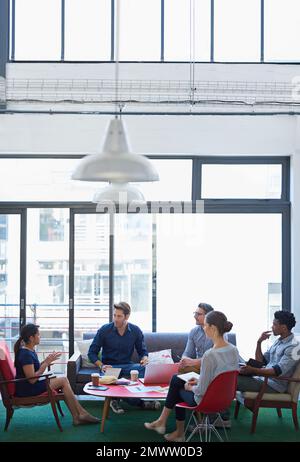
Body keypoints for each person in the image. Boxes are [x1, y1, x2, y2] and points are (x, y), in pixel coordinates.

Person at [144, 311, 239, 442]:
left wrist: (190, 388)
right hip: (225, 399)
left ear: (212, 328)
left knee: (177, 385)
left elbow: (201, 391)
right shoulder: (233, 350)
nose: (203, 328)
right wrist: (199, 380)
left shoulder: (210, 355)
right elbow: (221, 378)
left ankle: (177, 431)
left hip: (206, 400)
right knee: (177, 379)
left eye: (205, 325)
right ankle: (165, 424)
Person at [14, 323, 100, 426]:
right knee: (63, 380)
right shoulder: (25, 354)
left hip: (32, 385)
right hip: (27, 389)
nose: (40, 336)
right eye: (38, 334)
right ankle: (81, 414)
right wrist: (46, 363)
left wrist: (46, 361)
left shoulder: (29, 351)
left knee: (63, 381)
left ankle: (78, 416)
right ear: (31, 338)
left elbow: (34, 371)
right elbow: (31, 379)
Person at [88, 301, 160, 414]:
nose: (116, 319)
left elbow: (143, 351)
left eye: (119, 316)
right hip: (109, 367)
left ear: (127, 316)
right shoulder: (104, 330)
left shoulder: (135, 330)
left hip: (127, 365)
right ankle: (140, 403)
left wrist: (144, 358)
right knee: (111, 379)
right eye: (114, 315)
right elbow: (91, 353)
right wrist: (101, 366)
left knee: (146, 369)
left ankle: (115, 400)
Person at [238, 311, 299, 394]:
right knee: (233, 376)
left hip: (274, 386)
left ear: (284, 327)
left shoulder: (294, 347)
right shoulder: (278, 341)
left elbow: (277, 371)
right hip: (264, 379)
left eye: (274, 324)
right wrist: (259, 342)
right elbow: (260, 361)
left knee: (233, 381)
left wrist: (253, 370)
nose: (272, 327)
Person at [178, 302, 214, 374]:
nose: (195, 316)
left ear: (208, 316)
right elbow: (187, 353)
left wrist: (193, 362)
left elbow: (214, 358)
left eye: (198, 314)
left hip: (212, 367)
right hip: (198, 367)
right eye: (195, 313)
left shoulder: (218, 332)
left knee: (176, 378)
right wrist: (185, 360)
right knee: (181, 370)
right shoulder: (194, 331)